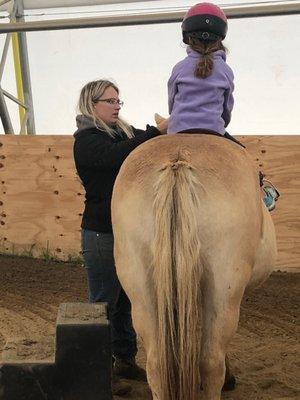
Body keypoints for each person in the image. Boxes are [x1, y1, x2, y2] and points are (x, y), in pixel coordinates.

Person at [73, 79, 164, 395]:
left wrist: (156, 132)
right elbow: (115, 156)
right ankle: (97, 374)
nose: (117, 106)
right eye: (110, 101)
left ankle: (124, 361)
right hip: (101, 233)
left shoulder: (121, 133)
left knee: (125, 301)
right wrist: (156, 133)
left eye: (118, 101)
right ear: (92, 104)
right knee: (102, 304)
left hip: (124, 233)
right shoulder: (86, 140)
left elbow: (137, 140)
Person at [166, 2, 279, 210]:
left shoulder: (179, 68)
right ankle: (262, 192)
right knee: (244, 156)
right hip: (213, 133)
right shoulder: (226, 70)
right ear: (220, 39)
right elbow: (226, 112)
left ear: (187, 38)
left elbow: (172, 103)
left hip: (178, 132)